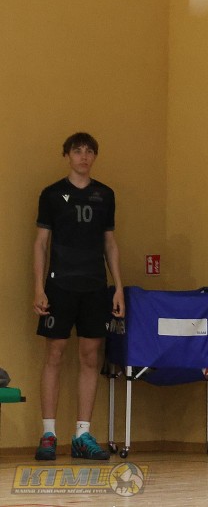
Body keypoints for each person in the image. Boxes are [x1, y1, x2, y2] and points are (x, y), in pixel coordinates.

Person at [33, 132, 125, 461]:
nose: (83, 156)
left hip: (95, 286)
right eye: (77, 151)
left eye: (89, 151)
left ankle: (82, 435)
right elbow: (41, 243)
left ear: (94, 156)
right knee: (55, 355)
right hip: (59, 285)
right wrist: (39, 287)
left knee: (90, 357)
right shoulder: (52, 194)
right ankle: (48, 434)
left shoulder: (105, 195)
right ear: (67, 156)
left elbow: (109, 243)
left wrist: (118, 287)